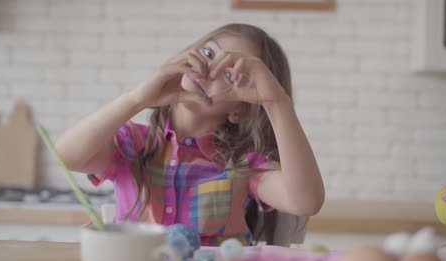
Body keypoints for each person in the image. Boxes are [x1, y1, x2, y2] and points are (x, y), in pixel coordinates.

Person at [55, 23, 324, 246]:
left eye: (229, 74)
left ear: (239, 111)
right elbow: (66, 156)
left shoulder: (241, 163)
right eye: (208, 53)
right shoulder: (133, 143)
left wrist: (276, 103)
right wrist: (137, 98)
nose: (207, 69)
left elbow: (305, 201)